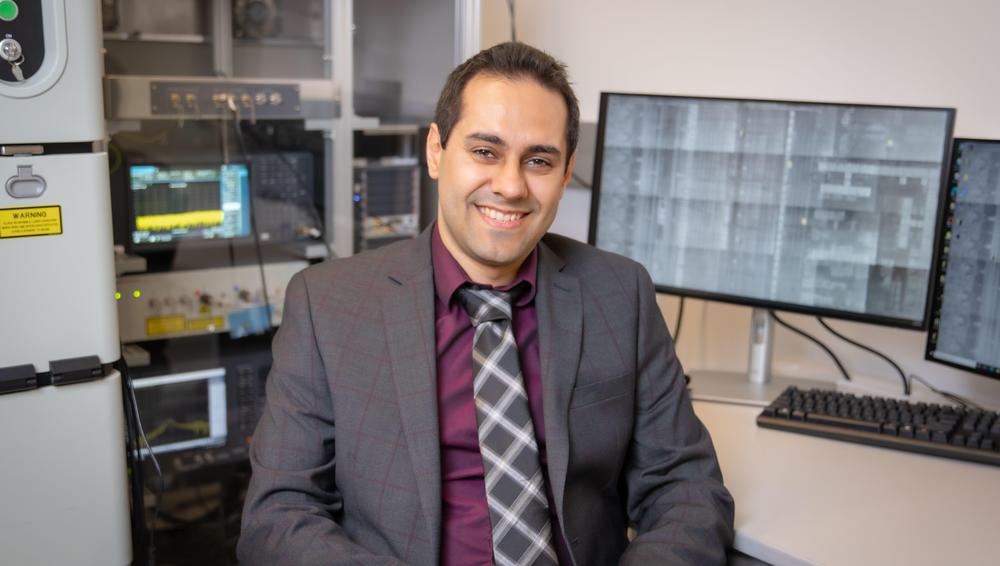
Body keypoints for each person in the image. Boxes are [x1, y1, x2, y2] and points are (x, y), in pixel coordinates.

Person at [238, 41, 734, 566]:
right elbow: (280, 517)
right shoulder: (328, 305)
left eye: (538, 160)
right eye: (485, 152)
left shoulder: (620, 292)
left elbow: (687, 489)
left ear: (565, 174)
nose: (511, 185)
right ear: (436, 151)